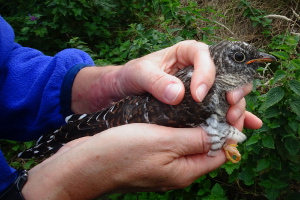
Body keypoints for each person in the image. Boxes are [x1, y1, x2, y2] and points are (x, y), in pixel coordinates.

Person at [0, 15, 262, 200]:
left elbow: (6, 61)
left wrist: (107, 83)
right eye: (239, 58)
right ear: (223, 61)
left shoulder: (207, 85)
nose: (256, 61)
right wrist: (62, 186)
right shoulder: (201, 96)